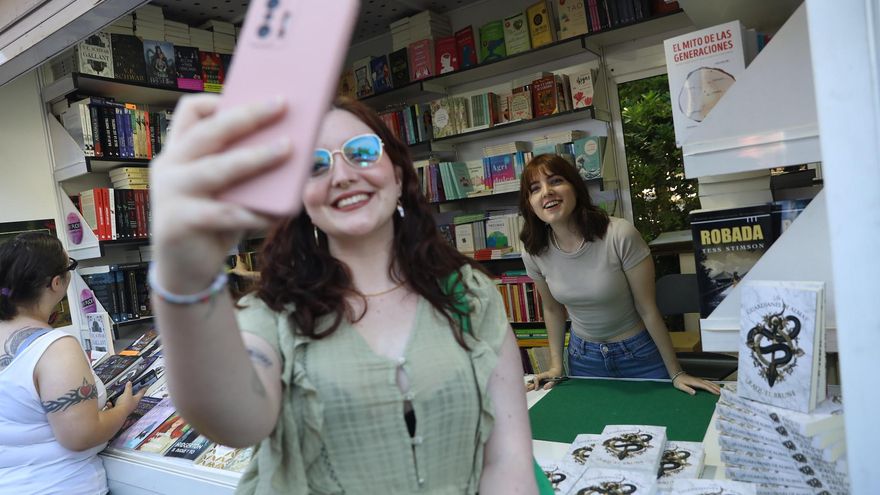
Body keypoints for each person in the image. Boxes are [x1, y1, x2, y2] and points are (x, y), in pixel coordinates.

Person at [148, 94, 536, 493]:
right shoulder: (273, 312)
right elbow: (234, 420)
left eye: (362, 152)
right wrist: (184, 277)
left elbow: (508, 461)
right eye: (316, 166)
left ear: (398, 174)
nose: (343, 175)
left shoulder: (470, 295)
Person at [519, 154, 720, 396]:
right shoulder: (533, 250)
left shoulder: (619, 234)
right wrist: (555, 366)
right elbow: (552, 310)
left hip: (639, 353)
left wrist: (676, 372)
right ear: (529, 203)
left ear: (575, 187)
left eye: (555, 181)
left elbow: (648, 308)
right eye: (535, 188)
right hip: (583, 358)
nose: (547, 192)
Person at [0, 232, 145, 495]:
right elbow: (81, 437)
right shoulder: (56, 348)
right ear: (56, 282)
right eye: (70, 266)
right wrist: (123, 409)